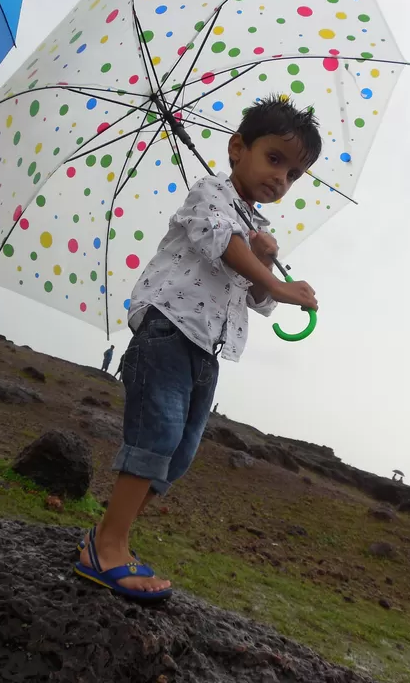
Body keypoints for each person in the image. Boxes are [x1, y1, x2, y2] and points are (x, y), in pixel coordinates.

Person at [73, 95, 322, 601]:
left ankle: (108, 538)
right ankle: (109, 548)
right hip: (167, 329)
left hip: (207, 347)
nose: (282, 178)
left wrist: (268, 267)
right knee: (157, 435)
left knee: (179, 453)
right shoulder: (208, 194)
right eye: (275, 159)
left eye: (294, 173)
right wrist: (270, 277)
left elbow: (254, 296)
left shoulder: (256, 230)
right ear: (238, 149)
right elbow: (221, 247)